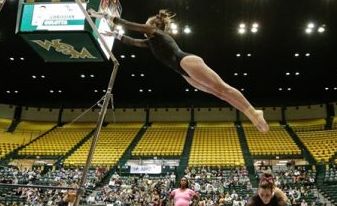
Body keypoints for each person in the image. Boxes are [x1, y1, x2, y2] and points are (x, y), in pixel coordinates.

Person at [95, 9, 269, 132]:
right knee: (219, 94)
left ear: (154, 24)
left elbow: (133, 26)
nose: (144, 27)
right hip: (183, 72)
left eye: (146, 24)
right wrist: (116, 35)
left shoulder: (155, 31)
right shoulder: (150, 42)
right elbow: (133, 42)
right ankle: (250, 115)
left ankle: (254, 111)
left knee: (222, 87)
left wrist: (111, 18)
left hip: (186, 61)